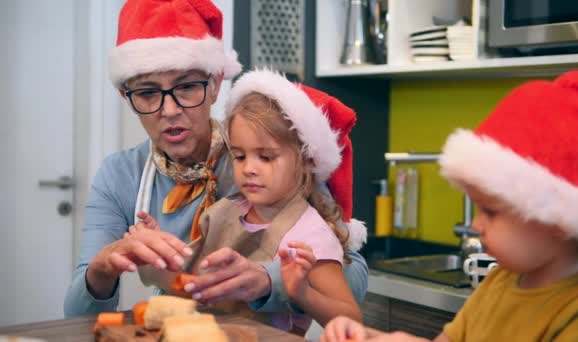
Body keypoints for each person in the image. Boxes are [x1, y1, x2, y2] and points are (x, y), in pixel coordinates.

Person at [64, 0, 368, 318]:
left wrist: (270, 280)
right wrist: (102, 267)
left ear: (215, 83)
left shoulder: (268, 157)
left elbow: (354, 278)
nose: (169, 110)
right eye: (147, 92)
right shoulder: (120, 175)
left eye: (187, 86)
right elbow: (75, 313)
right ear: (126, 96)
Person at [320, 70, 578, 342]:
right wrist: (372, 336)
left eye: (490, 211)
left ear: (558, 218)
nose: (475, 224)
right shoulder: (501, 281)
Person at [136, 70, 366, 334]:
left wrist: (301, 293)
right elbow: (194, 286)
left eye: (265, 157)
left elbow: (351, 320)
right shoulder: (225, 212)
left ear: (305, 161)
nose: (249, 169)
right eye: (240, 156)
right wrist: (157, 253)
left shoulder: (310, 235)